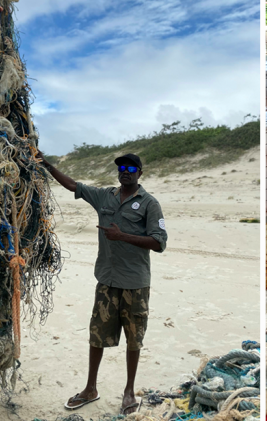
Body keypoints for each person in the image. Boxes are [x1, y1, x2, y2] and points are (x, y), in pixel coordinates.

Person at [38, 151, 168, 416]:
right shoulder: (104, 197)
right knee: (96, 335)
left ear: (140, 173)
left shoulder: (149, 204)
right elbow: (74, 185)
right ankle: (90, 388)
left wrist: (123, 236)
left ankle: (129, 391)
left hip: (135, 284)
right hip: (107, 281)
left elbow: (159, 243)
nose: (125, 171)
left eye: (131, 168)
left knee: (134, 339)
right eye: (121, 167)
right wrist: (46, 164)